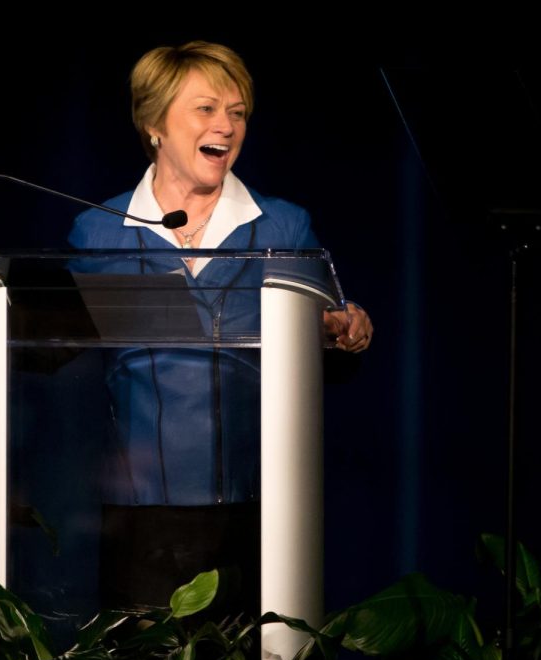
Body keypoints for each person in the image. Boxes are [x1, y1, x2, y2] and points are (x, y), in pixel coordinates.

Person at [65, 40, 373, 614]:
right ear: (154, 123)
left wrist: (343, 331)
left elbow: (328, 355)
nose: (226, 126)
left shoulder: (283, 224)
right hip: (134, 521)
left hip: (255, 512)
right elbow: (58, 355)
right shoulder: (97, 232)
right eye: (206, 109)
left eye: (237, 113)